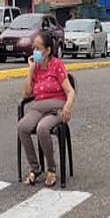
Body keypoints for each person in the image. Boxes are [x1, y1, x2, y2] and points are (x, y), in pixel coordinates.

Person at [18, 30, 76, 188]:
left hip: (55, 108)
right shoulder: (36, 67)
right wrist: (30, 70)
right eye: (33, 48)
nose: (34, 52)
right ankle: (35, 168)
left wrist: (68, 106)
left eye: (38, 49)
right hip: (38, 107)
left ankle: (51, 168)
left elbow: (70, 91)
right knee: (22, 127)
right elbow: (26, 94)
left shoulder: (57, 65)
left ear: (48, 50)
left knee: (42, 128)